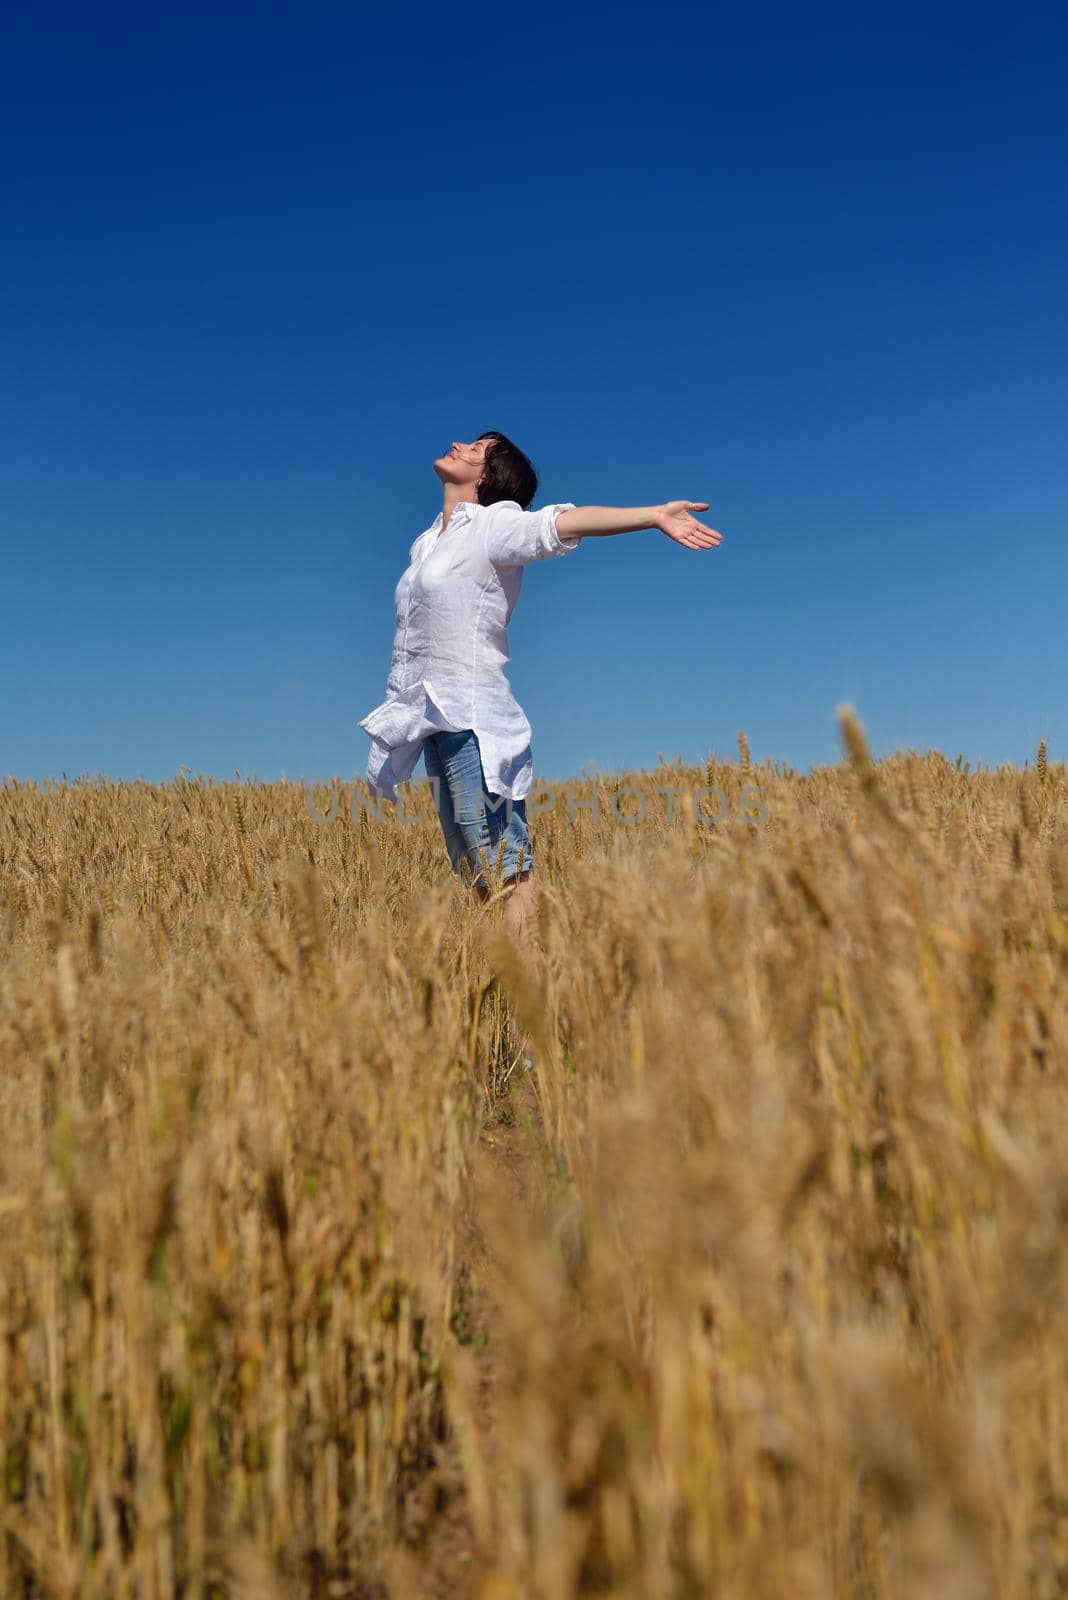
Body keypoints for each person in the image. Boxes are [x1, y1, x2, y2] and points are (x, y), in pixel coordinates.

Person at [358, 431, 724, 961]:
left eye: (476, 448)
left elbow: (563, 523)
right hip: (432, 723)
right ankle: (522, 1002)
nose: (458, 443)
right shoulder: (425, 544)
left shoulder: (493, 524)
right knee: (479, 877)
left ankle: (538, 1017)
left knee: (506, 869)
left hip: (473, 722)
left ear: (487, 476)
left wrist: (653, 515)